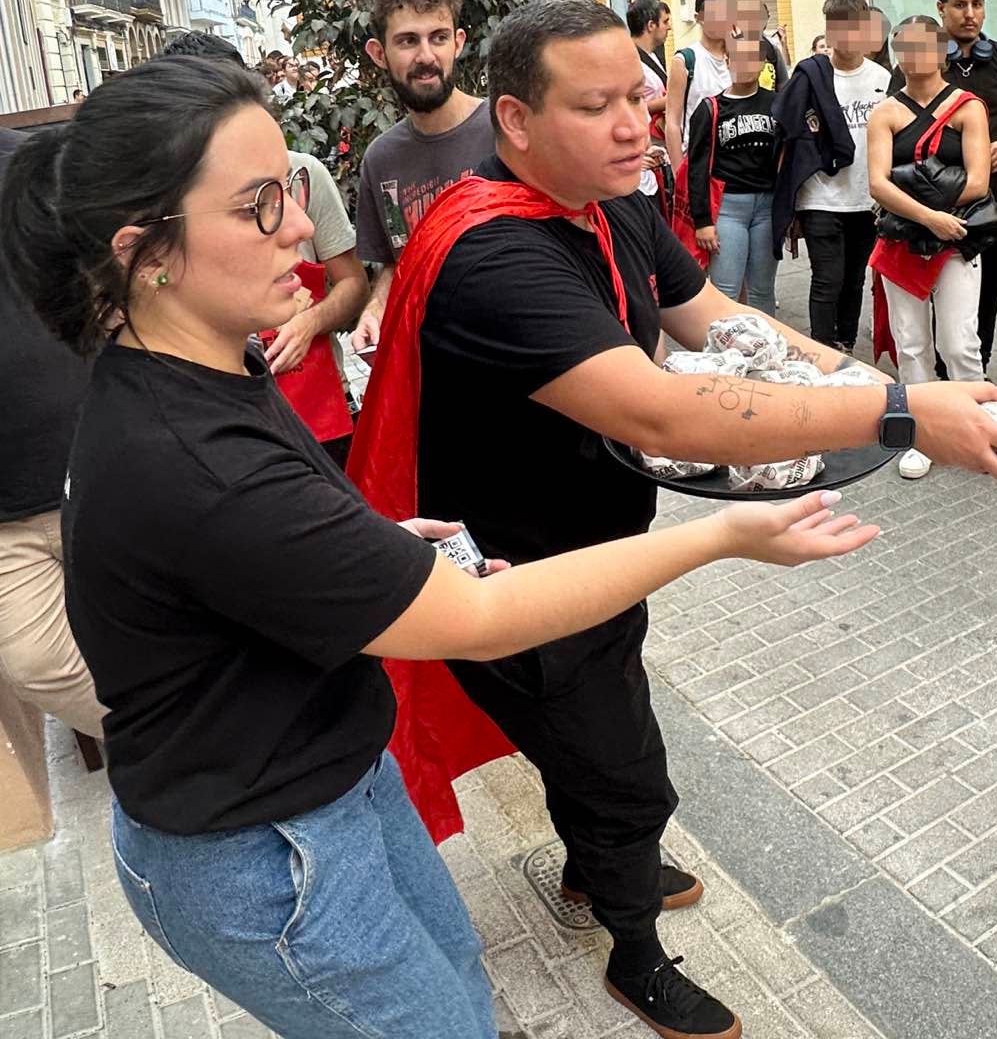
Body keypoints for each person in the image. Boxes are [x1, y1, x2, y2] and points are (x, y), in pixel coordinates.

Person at [0, 54, 881, 1039]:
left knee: (458, 978)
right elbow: (479, 613)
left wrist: (360, 539)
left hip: (329, 769)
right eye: (258, 205)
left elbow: (240, 555)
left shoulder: (201, 365)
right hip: (264, 850)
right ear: (144, 251)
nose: (301, 228)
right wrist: (725, 532)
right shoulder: (195, 451)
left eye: (290, 187)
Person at [349, 0, 997, 1039]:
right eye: (598, 105)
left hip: (595, 548)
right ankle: (633, 952)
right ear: (517, 122)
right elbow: (658, 403)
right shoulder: (495, 253)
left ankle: (593, 866)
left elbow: (719, 320)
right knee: (625, 769)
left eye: (639, 93)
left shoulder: (602, 198)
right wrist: (903, 416)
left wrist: (875, 383)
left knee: (593, 736)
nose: (637, 123)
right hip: (513, 578)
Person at [159, 30, 369, 464]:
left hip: (315, 408)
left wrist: (309, 322)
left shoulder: (305, 174)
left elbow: (352, 283)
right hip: (221, 418)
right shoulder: (168, 202)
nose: (295, 228)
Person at [0, 127, 106, 742]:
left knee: (180, 625)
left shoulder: (38, 165)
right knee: (37, 661)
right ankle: (177, 741)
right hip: (7, 518)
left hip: (101, 472)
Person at [891, 0, 997, 374]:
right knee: (934, 296)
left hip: (993, 202)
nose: (969, 13)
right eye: (959, 5)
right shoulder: (919, 62)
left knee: (985, 293)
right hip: (933, 203)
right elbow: (897, 126)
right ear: (941, 9)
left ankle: (976, 367)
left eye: (977, 4)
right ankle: (938, 374)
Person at [867, 16, 992, 480]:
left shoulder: (967, 106)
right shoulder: (886, 112)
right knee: (912, 342)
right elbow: (877, 183)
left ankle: (977, 424)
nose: (915, 56)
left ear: (942, 51)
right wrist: (928, 216)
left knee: (959, 341)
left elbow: (978, 181)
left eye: (925, 46)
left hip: (957, 239)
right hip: (904, 239)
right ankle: (921, 432)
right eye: (905, 47)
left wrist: (935, 217)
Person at [351, 0, 494, 350]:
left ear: (458, 43)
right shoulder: (382, 159)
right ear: (379, 54)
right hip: (431, 370)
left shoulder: (507, 131)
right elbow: (395, 263)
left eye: (439, 38)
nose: (426, 56)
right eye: (408, 41)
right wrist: (375, 311)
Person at [773, 0, 891, 353]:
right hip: (821, 196)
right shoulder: (811, 75)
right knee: (827, 279)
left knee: (854, 281)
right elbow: (785, 125)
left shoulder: (882, 79)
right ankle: (820, 351)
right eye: (835, 27)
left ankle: (845, 346)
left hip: (866, 199)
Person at [688, 35, 780, 312]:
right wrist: (702, 221)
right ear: (727, 61)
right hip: (728, 207)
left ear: (763, 63)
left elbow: (788, 158)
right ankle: (727, 351)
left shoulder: (777, 103)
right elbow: (697, 168)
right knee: (726, 289)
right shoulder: (710, 108)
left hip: (767, 206)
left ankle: (766, 351)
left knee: (762, 290)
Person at [664, 0, 734, 169]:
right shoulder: (685, 60)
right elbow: (672, 122)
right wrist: (680, 173)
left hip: (738, 162)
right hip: (700, 163)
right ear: (698, 18)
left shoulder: (741, 57)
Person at [627, 0, 673, 203]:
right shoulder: (629, 60)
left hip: (656, 148)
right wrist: (671, 101)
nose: (669, 28)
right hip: (643, 152)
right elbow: (629, 105)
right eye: (665, 22)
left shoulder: (651, 56)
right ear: (650, 25)